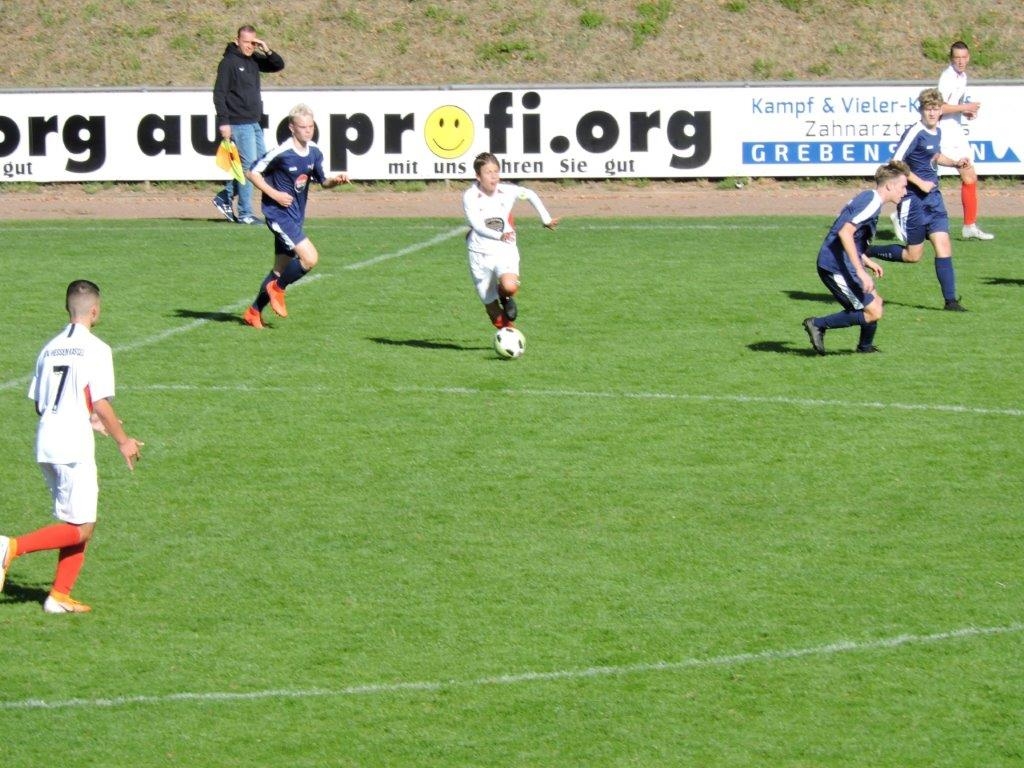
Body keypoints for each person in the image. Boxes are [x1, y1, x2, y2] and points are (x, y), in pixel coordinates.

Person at [0, 280, 143, 613]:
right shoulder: (97, 348)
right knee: (82, 527)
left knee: (77, 521)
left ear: (68, 309)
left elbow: (41, 404)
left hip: (46, 441)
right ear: (95, 310)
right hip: (72, 445)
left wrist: (88, 419)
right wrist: (123, 441)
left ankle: (59, 597)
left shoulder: (49, 348)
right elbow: (102, 403)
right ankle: (10, 547)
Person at [242, 104, 350, 329]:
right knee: (310, 258)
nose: (308, 130)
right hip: (278, 215)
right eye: (303, 127)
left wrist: (335, 181)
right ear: (292, 127)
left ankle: (253, 312)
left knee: (279, 270)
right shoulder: (282, 153)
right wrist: (275, 194)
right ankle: (277, 288)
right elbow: (252, 172)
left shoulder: (314, 152)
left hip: (295, 217)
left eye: (311, 126)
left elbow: (323, 181)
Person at [867, 88, 969, 312]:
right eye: (928, 109)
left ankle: (951, 301)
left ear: (941, 111)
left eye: (935, 109)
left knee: (944, 245)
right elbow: (895, 161)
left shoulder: (937, 131)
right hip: (914, 201)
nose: (932, 113)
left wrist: (954, 163)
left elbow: (935, 156)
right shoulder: (915, 131)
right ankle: (868, 252)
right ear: (921, 110)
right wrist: (920, 182)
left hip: (934, 199)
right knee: (913, 256)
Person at [803, 160, 909, 356]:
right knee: (873, 311)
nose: (905, 191)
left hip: (844, 262)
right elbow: (845, 232)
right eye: (903, 186)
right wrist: (861, 271)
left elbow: (851, 234)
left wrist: (866, 261)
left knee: (876, 302)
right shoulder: (871, 202)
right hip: (834, 265)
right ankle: (817, 324)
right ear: (889, 185)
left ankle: (865, 347)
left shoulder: (869, 198)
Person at [462, 152, 559, 329]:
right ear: (478, 176)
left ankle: (505, 296)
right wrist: (498, 235)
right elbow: (476, 225)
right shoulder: (470, 196)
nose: (493, 176)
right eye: (488, 172)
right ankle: (509, 334)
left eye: (496, 171)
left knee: (509, 287)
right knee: (492, 308)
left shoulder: (507, 191)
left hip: (504, 249)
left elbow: (529, 194)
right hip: (479, 253)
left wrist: (546, 219)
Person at [212, 24, 285, 225]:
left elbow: (278, 65)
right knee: (250, 168)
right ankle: (245, 213)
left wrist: (266, 49)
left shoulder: (253, 59)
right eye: (246, 42)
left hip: (254, 122)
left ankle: (225, 196)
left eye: (253, 43)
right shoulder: (228, 63)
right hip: (238, 122)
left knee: (259, 166)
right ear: (237, 41)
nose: (249, 46)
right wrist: (224, 122)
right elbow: (219, 94)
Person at [938, 40, 993, 240]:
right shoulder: (947, 78)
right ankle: (902, 212)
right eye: (957, 58)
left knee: (970, 177)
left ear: (968, 57)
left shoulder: (962, 76)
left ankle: (969, 225)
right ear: (951, 59)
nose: (961, 61)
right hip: (945, 132)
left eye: (963, 57)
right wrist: (965, 108)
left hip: (956, 131)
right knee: (930, 179)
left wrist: (965, 112)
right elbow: (940, 107)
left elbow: (954, 104)